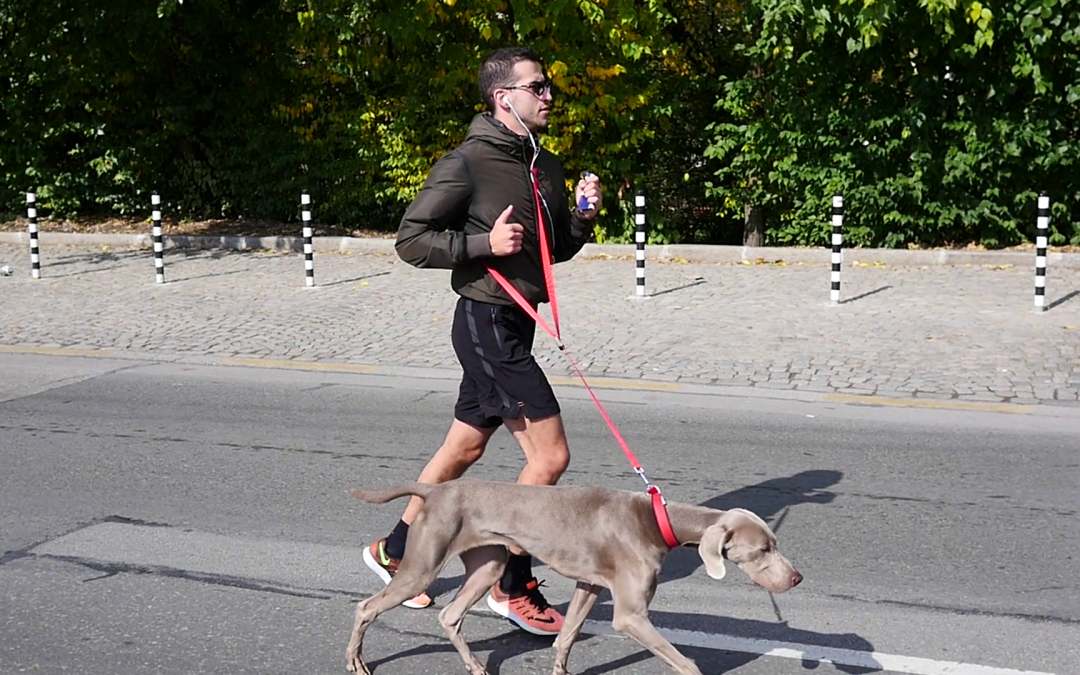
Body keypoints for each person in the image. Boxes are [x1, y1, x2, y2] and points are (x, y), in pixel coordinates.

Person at [362, 45, 602, 636]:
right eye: (537, 87)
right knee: (549, 458)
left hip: (515, 319)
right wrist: (479, 247)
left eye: (549, 87)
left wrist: (580, 217)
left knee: (464, 450)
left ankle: (394, 551)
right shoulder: (468, 162)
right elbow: (412, 240)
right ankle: (510, 583)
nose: (549, 96)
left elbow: (553, 250)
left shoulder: (542, 162)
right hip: (486, 322)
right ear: (504, 98)